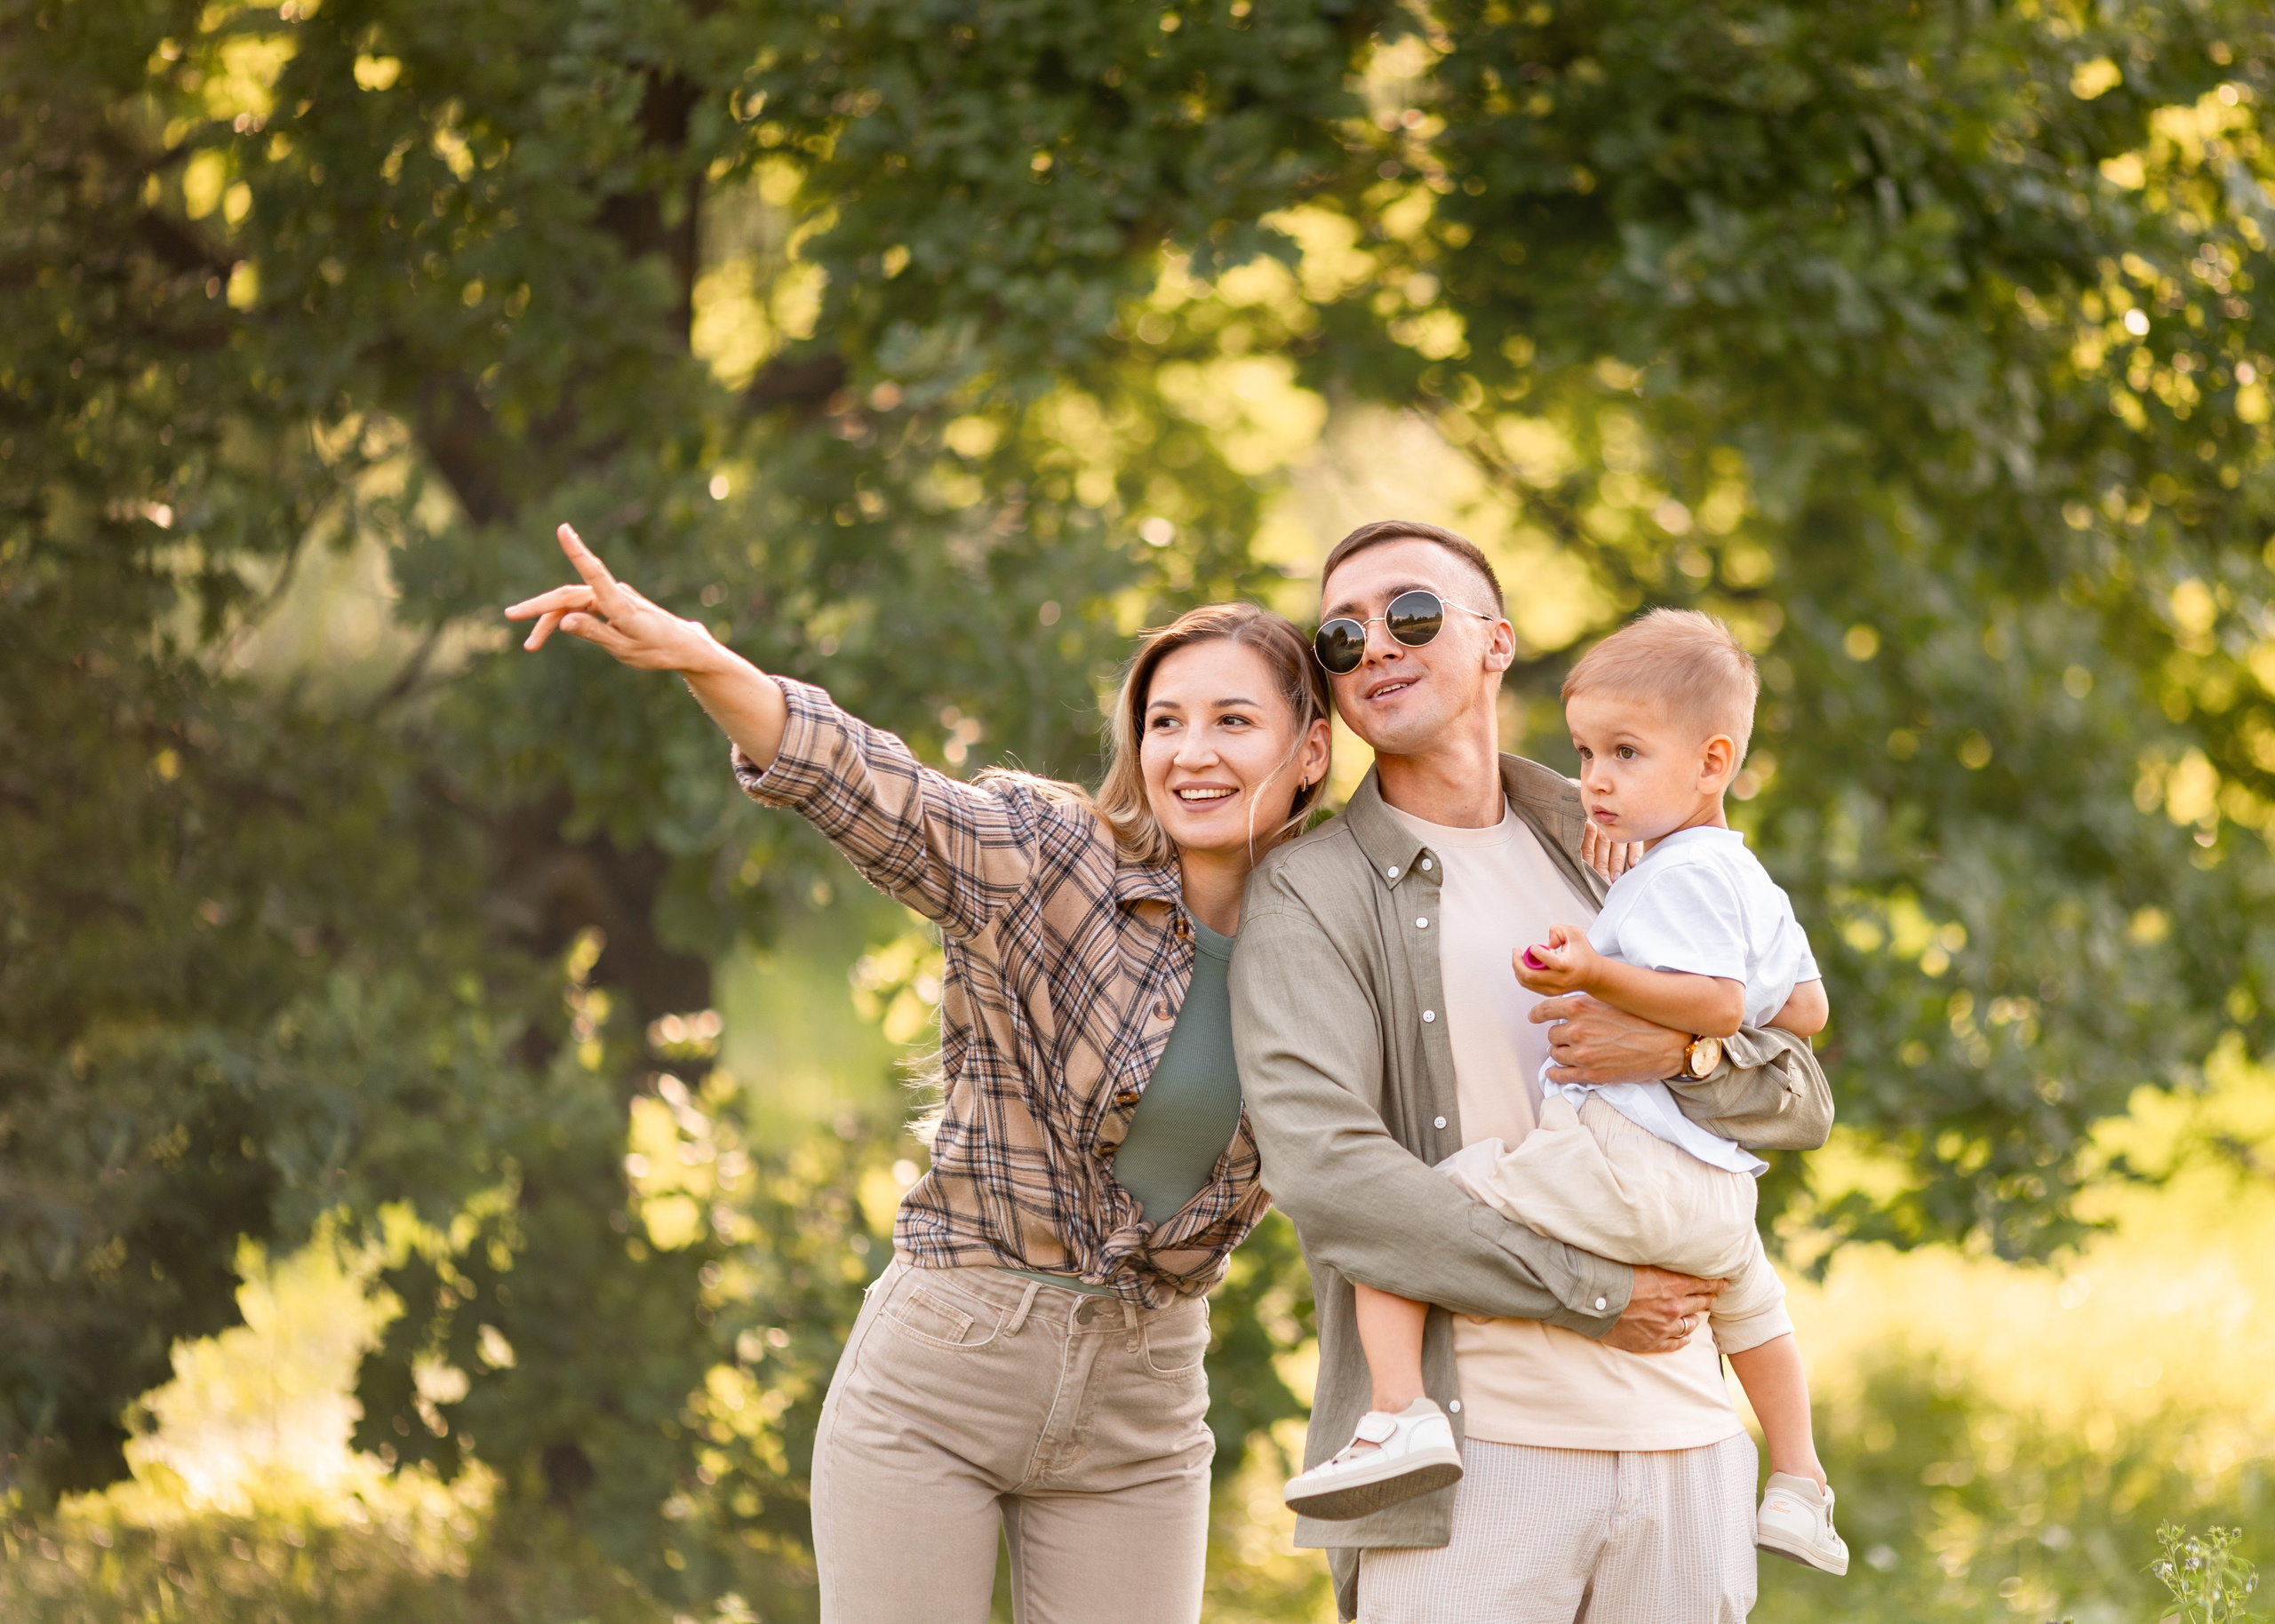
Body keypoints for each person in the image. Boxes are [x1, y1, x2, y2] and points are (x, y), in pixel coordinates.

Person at [506, 523, 1332, 1624]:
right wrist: (705, 658)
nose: (1191, 753)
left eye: (1234, 722)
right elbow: (876, 791)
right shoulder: (1051, 857)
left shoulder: (1333, 943)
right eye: (1164, 722)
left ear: (1310, 752)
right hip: (944, 1373)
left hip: (1142, 1405)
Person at [1231, 520, 1836, 1623]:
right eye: (1340, 634)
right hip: (1473, 1460)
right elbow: (1328, 1174)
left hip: (1687, 1444)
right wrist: (1598, 1298)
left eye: (1410, 614)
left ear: (1497, 641)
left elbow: (1799, 1089)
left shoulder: (1626, 827)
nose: (1374, 645)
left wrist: (1684, 1050)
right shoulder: (1311, 891)